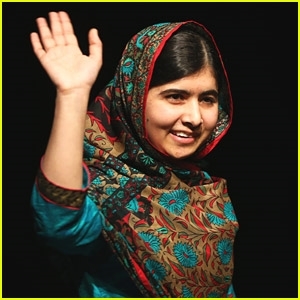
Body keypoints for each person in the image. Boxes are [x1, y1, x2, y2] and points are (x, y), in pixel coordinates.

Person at [30, 11, 239, 298]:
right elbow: (60, 224)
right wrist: (72, 94)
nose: (195, 117)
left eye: (207, 100)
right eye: (175, 96)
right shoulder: (110, 189)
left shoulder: (202, 188)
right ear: (135, 98)